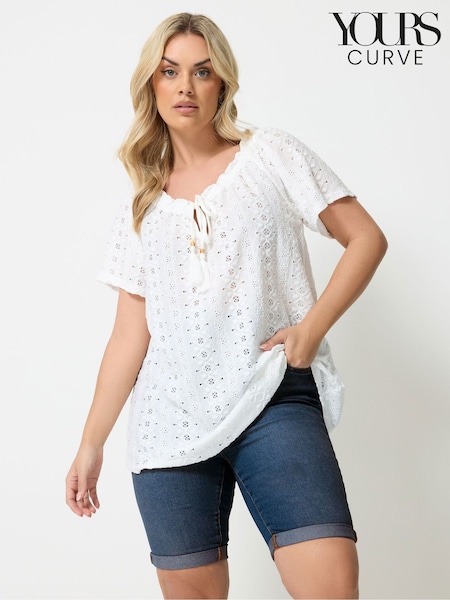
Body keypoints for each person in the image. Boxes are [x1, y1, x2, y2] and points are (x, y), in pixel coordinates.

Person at [65, 12, 387, 600]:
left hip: (273, 395)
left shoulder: (270, 155)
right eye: (170, 72)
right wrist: (91, 444)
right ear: (151, 85)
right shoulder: (141, 209)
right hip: (169, 423)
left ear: (223, 84)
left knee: (331, 588)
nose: (185, 86)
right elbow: (128, 337)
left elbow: (365, 238)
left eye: (202, 71)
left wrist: (310, 330)